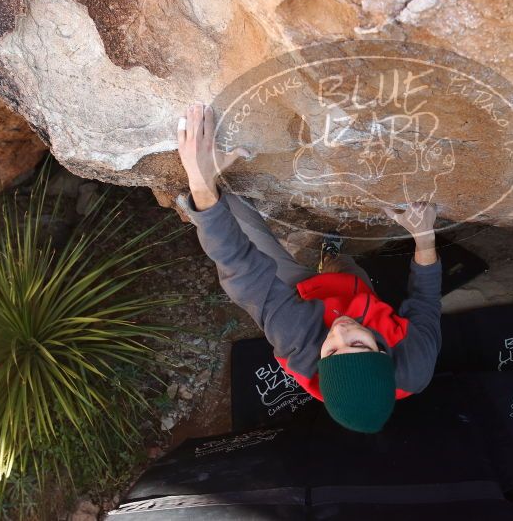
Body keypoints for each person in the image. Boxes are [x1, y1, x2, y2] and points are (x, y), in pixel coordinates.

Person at [174, 102, 442, 433]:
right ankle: (330, 256)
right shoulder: (416, 362)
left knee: (228, 210)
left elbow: (242, 272)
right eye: (358, 344)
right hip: (353, 290)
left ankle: (203, 195)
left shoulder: (297, 341)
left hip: (298, 295)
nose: (341, 332)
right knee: (343, 269)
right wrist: (424, 237)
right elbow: (426, 301)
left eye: (331, 351)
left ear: (320, 361)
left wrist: (201, 184)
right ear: (384, 353)